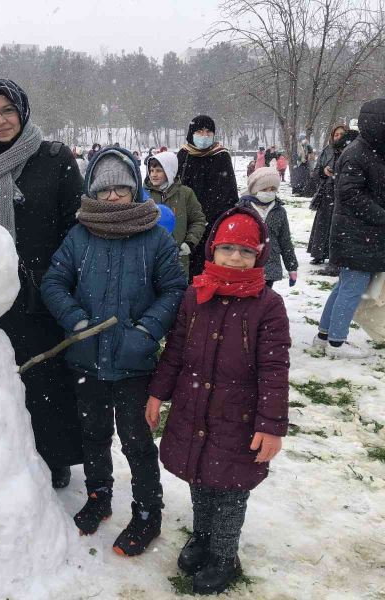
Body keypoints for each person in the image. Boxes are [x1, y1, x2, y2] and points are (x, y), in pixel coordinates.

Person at [41, 145, 187, 555]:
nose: (113, 197)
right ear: (92, 191)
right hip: (86, 360)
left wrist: (145, 331)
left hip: (134, 365)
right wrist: (76, 320)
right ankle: (99, 494)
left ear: (135, 188)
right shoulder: (79, 235)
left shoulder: (155, 237)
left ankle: (147, 512)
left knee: (137, 441)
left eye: (121, 188)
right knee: (93, 434)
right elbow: (53, 283)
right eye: (104, 190)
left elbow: (175, 289)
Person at [146, 207, 290, 595]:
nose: (235, 258)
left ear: (259, 255)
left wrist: (271, 426)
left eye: (245, 251)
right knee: (200, 478)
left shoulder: (268, 305)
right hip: (194, 409)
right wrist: (158, 394)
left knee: (230, 488)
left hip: (237, 418)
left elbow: (275, 371)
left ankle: (225, 553)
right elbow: (175, 351)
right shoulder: (196, 294)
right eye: (227, 248)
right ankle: (203, 536)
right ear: (213, 250)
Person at [0, 78, 84, 488]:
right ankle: (2, 454)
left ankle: (54, 456)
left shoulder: (54, 158)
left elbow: (75, 225)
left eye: (7, 111)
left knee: (46, 377)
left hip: (44, 292)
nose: (0, 121)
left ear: (23, 112)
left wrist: (58, 279)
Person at [312, 99, 385, 360]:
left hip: (363, 235)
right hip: (356, 235)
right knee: (352, 288)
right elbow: (351, 194)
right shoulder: (358, 153)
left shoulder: (372, 150)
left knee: (344, 286)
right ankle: (336, 343)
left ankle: (324, 336)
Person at [176, 115, 239, 277]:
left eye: (208, 132)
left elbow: (229, 191)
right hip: (187, 222)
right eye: (199, 131)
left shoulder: (221, 156)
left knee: (210, 266)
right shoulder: (184, 155)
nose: (204, 136)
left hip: (214, 221)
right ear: (191, 133)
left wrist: (219, 217)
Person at [145, 151, 206, 279]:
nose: (153, 174)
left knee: (176, 293)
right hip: (148, 258)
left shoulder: (185, 194)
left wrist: (189, 242)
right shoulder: (143, 195)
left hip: (177, 259)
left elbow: (198, 220)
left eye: (158, 170)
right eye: (151, 170)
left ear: (169, 171)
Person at [237, 167, 298, 289]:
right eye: (264, 189)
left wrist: (292, 267)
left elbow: (285, 240)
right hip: (246, 265)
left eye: (273, 189)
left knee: (264, 301)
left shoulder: (279, 211)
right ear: (255, 189)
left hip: (270, 267)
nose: (269, 192)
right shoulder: (242, 209)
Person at [308, 124, 349, 265]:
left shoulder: (351, 150)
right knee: (322, 223)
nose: (338, 137)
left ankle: (335, 255)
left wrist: (338, 174)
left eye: (341, 134)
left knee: (338, 225)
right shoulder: (328, 150)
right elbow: (316, 171)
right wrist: (324, 171)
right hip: (327, 192)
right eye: (336, 134)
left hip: (343, 192)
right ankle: (319, 253)